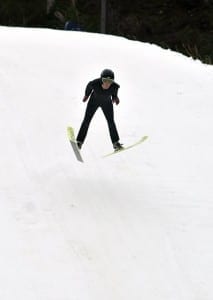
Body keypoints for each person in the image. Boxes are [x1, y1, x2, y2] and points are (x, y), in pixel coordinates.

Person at [76, 69, 123, 151]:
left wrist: (115, 97)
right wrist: (86, 95)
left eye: (110, 81)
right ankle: (79, 142)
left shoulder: (115, 86)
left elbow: (114, 92)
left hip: (107, 104)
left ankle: (116, 143)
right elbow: (88, 86)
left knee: (111, 122)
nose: (107, 83)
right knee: (86, 120)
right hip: (93, 102)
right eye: (105, 80)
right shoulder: (94, 83)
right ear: (101, 79)